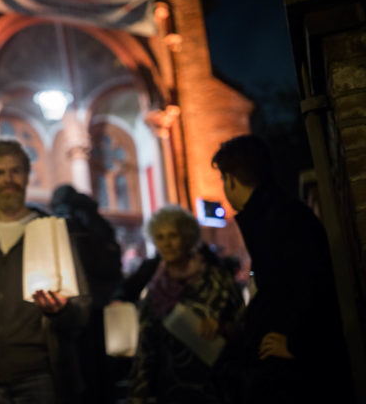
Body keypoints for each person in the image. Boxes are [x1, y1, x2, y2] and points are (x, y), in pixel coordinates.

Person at [212, 135, 352, 403]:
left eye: (223, 180)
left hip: (297, 377)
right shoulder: (277, 214)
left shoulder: (276, 220)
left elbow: (312, 286)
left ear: (230, 179)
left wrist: (298, 345)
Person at [0, 139, 90, 404]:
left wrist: (61, 311)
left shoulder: (53, 232)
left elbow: (82, 309)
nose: (8, 180)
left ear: (28, 176)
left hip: (41, 376)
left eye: (15, 171)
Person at [128, 205, 244, 404]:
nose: (167, 244)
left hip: (216, 384)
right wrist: (138, 394)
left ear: (187, 238)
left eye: (173, 235)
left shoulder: (215, 278)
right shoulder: (155, 289)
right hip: (172, 388)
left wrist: (223, 327)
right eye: (160, 237)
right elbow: (146, 346)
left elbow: (244, 323)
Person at [50, 184, 122, 403]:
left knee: (81, 370)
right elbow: (113, 265)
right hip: (101, 305)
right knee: (101, 370)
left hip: (78, 306)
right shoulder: (98, 222)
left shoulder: (67, 220)